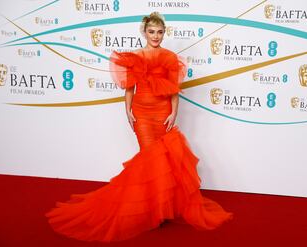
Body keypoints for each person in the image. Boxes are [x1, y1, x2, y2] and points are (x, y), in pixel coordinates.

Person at [45, 11, 233, 242]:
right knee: (149, 159)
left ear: (164, 33)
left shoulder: (170, 57)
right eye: (152, 32)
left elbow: (173, 89)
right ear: (144, 32)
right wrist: (127, 111)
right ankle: (151, 210)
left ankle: (160, 210)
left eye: (160, 32)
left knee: (163, 162)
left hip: (163, 113)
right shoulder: (134, 56)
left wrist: (174, 112)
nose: (156, 36)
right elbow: (129, 88)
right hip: (142, 114)